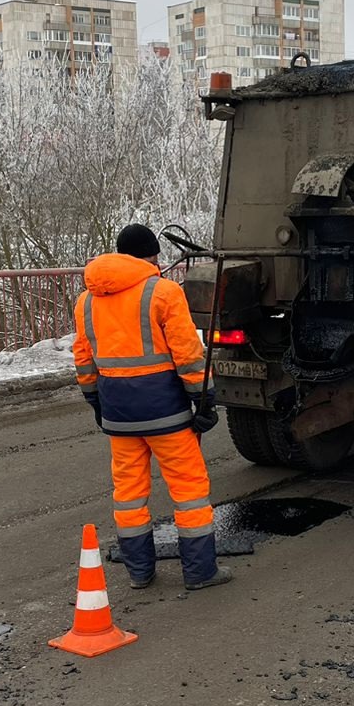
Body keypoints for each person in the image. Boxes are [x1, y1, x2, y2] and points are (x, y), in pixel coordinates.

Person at [72, 224, 232, 591]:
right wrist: (204, 398)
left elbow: (83, 359)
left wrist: (94, 400)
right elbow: (188, 354)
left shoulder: (87, 300)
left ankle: (140, 573)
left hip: (118, 415)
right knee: (189, 490)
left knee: (128, 494)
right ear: (153, 256)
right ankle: (200, 572)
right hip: (167, 413)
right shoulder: (163, 292)